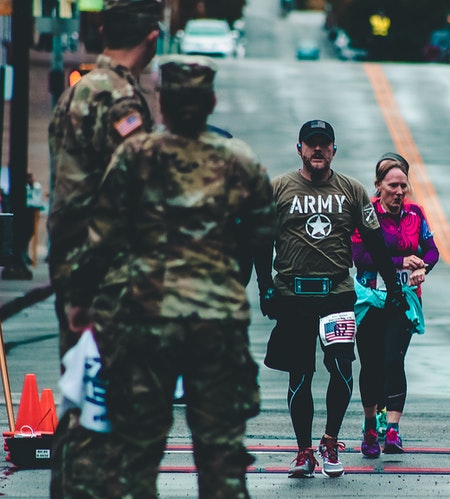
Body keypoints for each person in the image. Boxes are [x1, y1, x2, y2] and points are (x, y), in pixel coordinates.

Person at [66, 54, 277, 497]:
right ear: (211, 101)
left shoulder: (136, 155)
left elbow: (101, 236)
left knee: (137, 453)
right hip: (217, 321)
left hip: (147, 316)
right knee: (222, 456)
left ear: (161, 102)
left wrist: (81, 300)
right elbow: (262, 232)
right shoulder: (240, 160)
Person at [47, 0, 162, 495]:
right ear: (152, 38)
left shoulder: (79, 90)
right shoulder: (120, 101)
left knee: (80, 397)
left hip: (76, 266)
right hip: (107, 276)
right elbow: (130, 198)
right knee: (108, 409)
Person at [254, 119, 408, 479]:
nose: (318, 149)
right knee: (300, 375)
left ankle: (330, 440)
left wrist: (394, 287)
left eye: (325, 144)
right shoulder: (278, 189)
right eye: (312, 144)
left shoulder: (351, 190)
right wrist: (265, 286)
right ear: (300, 149)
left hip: (337, 295)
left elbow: (374, 241)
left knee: (341, 368)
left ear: (334, 150)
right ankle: (304, 451)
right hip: (293, 297)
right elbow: (259, 242)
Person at [351, 152, 439, 458]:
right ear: (378, 185)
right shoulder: (366, 213)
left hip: (404, 298)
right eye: (392, 185)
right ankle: (369, 427)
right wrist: (401, 260)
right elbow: (360, 256)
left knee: (393, 360)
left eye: (404, 185)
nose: (399, 192)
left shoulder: (415, 213)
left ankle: (392, 430)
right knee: (371, 363)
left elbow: (432, 250)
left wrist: (422, 268)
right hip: (371, 299)